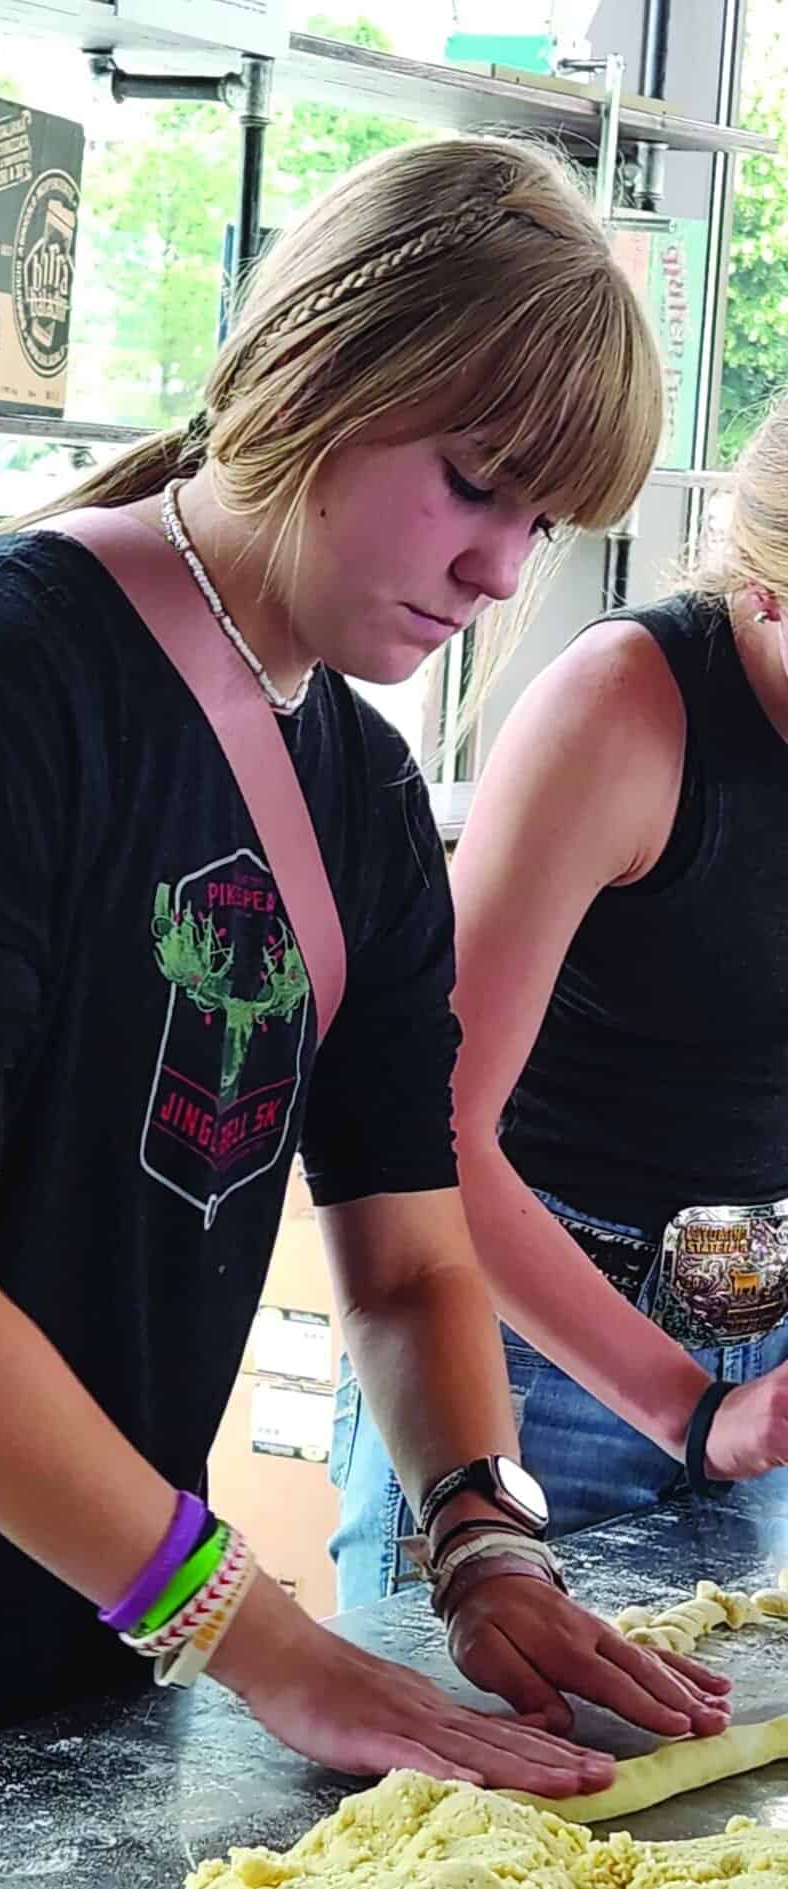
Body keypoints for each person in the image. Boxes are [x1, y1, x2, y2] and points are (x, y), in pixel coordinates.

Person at [0, 136, 729, 1861]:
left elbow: (415, 1263)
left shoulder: (355, 787)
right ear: (322, 376)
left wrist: (482, 1534)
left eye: (548, 521)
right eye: (478, 482)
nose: (509, 573)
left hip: (62, 1672)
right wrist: (269, 1645)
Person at [331, 388, 788, 1608]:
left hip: (764, 1358)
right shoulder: (623, 710)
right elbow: (431, 1138)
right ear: (769, 589)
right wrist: (693, 1410)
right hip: (528, 1362)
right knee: (449, 1788)